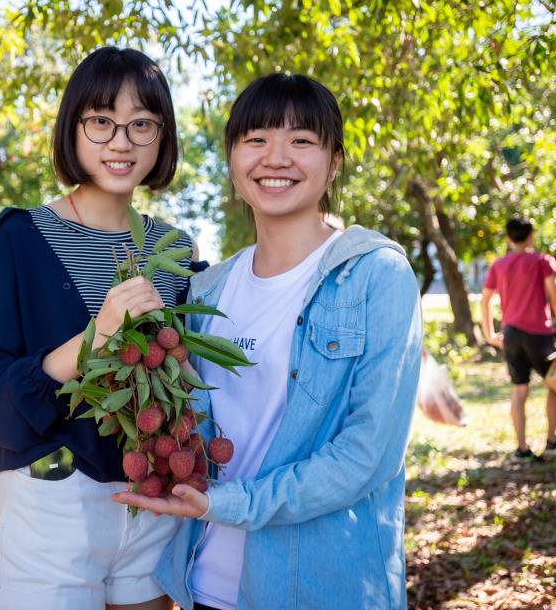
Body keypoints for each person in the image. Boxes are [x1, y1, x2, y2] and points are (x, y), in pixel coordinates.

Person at [114, 74, 423, 610]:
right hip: (206, 581)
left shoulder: (376, 274)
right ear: (232, 161)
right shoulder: (206, 289)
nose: (275, 158)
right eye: (255, 139)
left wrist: (229, 502)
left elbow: (368, 455)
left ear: (334, 162)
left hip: (323, 587)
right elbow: (191, 425)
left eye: (301, 140)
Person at [0, 46, 199, 610]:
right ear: (73, 128)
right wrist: (99, 334)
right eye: (102, 122)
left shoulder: (176, 250)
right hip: (50, 506)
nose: (121, 142)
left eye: (142, 124)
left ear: (162, 137)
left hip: (151, 499)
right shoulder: (21, 239)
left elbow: (188, 380)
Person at [480, 217, 556, 462]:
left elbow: (485, 299)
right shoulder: (542, 261)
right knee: (555, 385)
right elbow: (555, 299)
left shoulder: (499, 265)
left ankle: (521, 449)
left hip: (511, 334)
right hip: (539, 334)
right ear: (531, 236)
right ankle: (552, 442)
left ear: (508, 239)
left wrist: (489, 333)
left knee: (519, 389)